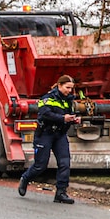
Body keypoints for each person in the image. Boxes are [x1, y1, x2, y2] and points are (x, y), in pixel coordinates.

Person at [18, 75, 81, 203]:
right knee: (40, 165)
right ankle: (25, 179)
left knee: (65, 163)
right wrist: (63, 118)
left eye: (71, 88)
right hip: (45, 134)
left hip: (60, 135)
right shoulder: (47, 98)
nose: (69, 91)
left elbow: (69, 114)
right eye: (67, 88)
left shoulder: (69, 100)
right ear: (59, 85)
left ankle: (61, 192)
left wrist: (74, 119)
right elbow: (45, 114)